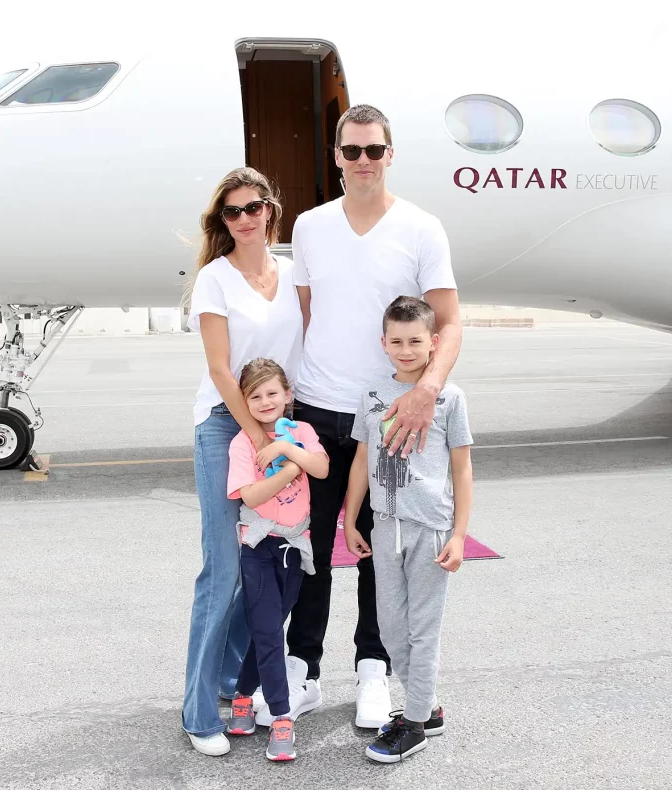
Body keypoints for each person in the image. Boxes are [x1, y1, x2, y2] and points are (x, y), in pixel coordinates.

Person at [262, 103, 463, 729]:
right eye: (352, 151)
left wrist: (427, 388)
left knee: (382, 550)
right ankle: (305, 669)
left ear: (390, 154)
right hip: (320, 408)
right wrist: (281, 402)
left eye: (374, 150)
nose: (363, 161)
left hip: (393, 414)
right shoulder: (313, 227)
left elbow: (449, 322)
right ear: (338, 158)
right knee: (314, 545)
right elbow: (302, 315)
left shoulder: (423, 228)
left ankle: (373, 670)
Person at [182, 168, 304, 756]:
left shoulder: (293, 272)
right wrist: (258, 434)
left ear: (269, 210)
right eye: (232, 212)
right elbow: (220, 369)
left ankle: (234, 688)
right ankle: (199, 710)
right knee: (225, 570)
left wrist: (285, 432)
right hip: (227, 426)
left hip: (278, 427)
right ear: (222, 222)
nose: (245, 218)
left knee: (268, 572)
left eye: (254, 207)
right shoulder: (214, 278)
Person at [342, 295, 473, 763]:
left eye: (415, 341)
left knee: (424, 630)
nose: (405, 349)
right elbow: (361, 458)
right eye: (396, 341)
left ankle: (415, 723)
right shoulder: (373, 394)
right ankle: (429, 707)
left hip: (431, 529)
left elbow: (462, 468)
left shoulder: (450, 398)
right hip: (384, 526)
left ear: (433, 342)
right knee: (392, 629)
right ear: (383, 342)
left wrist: (459, 534)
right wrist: (349, 517)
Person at [224, 358, 328, 762]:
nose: (265, 401)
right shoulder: (242, 443)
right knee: (269, 633)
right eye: (255, 395)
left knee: (270, 626)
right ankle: (282, 719)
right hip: (258, 547)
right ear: (244, 401)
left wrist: (286, 448)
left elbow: (320, 468)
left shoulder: (301, 432)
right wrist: (287, 470)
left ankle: (242, 696)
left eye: (273, 393)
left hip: (294, 549)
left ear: (288, 395)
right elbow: (250, 496)